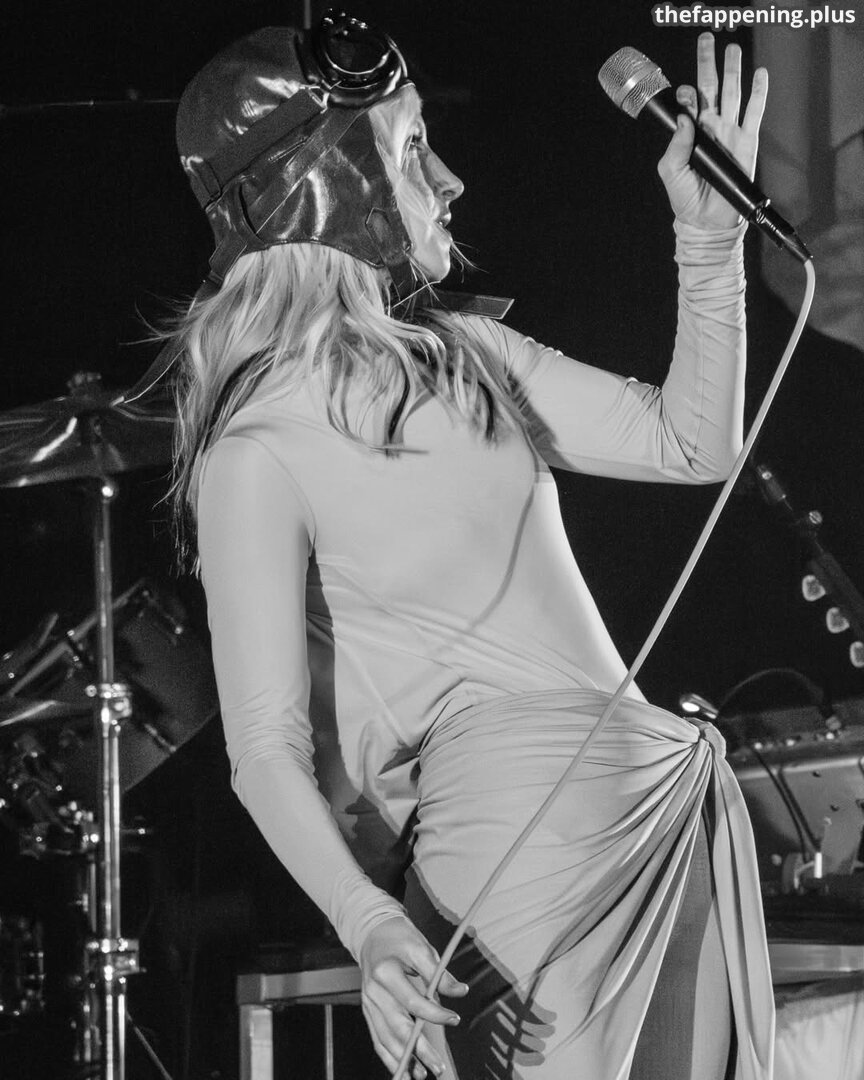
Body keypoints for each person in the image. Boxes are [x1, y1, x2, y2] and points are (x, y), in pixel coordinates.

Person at [170, 13, 774, 1080]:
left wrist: (711, 242)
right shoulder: (257, 449)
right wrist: (366, 921)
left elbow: (694, 446)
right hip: (518, 839)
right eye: (411, 149)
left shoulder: (469, 351)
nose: (448, 182)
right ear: (330, 186)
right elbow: (263, 749)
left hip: (665, 791)